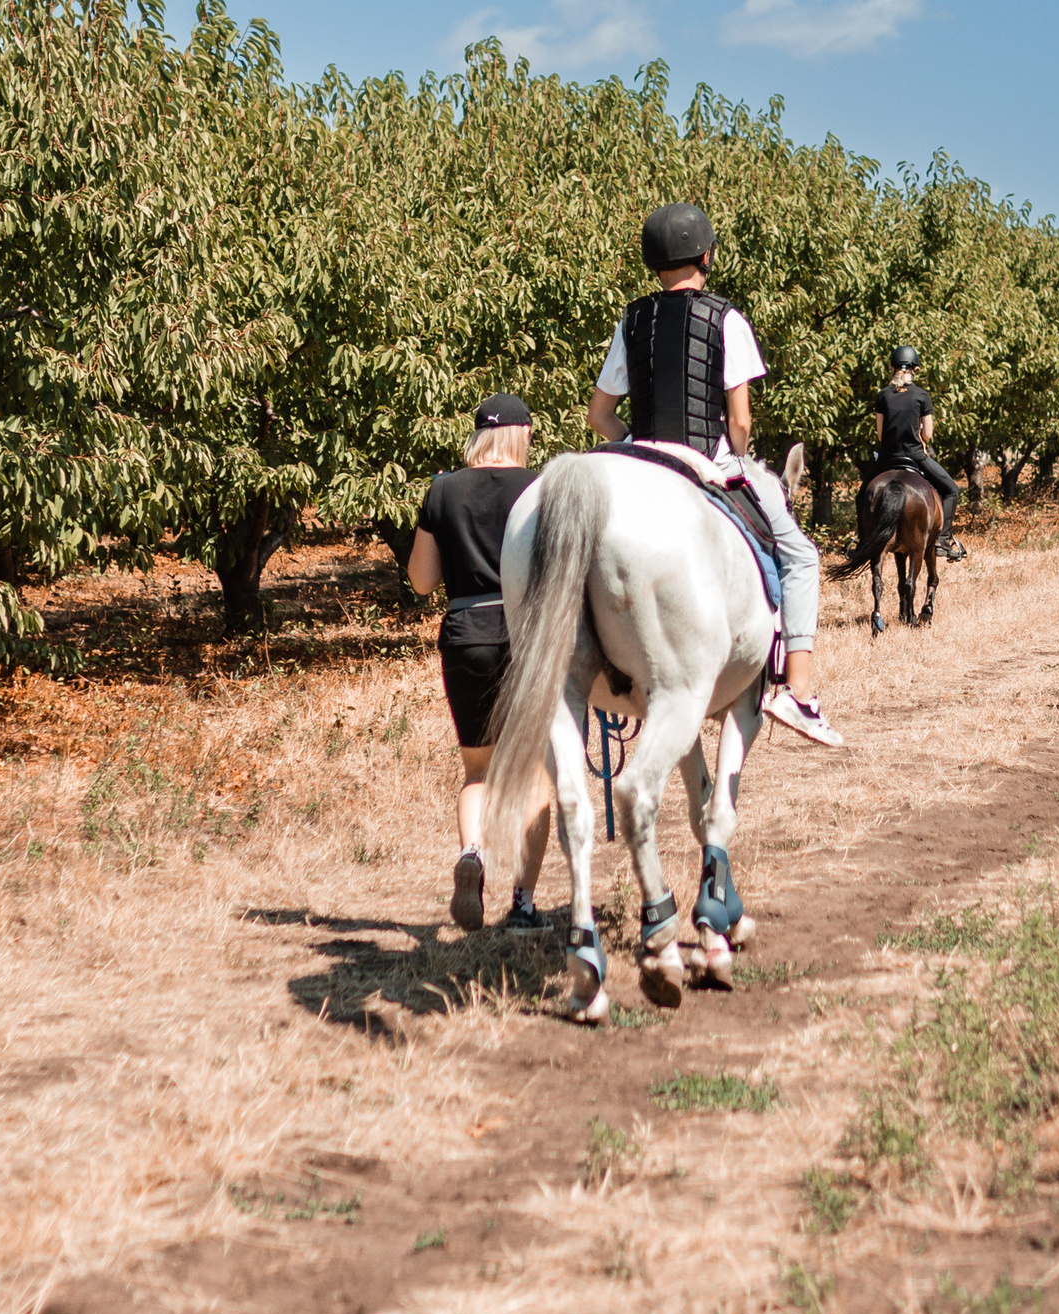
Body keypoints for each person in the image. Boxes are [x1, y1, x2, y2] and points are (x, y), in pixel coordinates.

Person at [588, 203, 843, 748]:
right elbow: (741, 420)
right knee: (801, 556)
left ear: (653, 263)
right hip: (708, 460)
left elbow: (599, 414)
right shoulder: (727, 318)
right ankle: (796, 690)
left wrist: (633, 446)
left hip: (641, 458)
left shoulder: (631, 320)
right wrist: (738, 460)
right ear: (706, 256)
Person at [407, 393, 553, 932]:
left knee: (478, 771)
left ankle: (472, 852)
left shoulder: (443, 490)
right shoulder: (541, 488)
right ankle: (523, 905)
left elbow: (422, 581)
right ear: (524, 435)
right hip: (525, 635)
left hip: (465, 633)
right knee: (535, 773)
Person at [867, 345, 968, 561]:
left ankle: (860, 540)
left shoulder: (883, 395)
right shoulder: (922, 395)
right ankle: (943, 541)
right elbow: (928, 435)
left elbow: (880, 435)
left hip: (887, 458)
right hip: (915, 456)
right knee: (951, 490)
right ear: (915, 369)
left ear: (892, 368)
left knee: (863, 495)